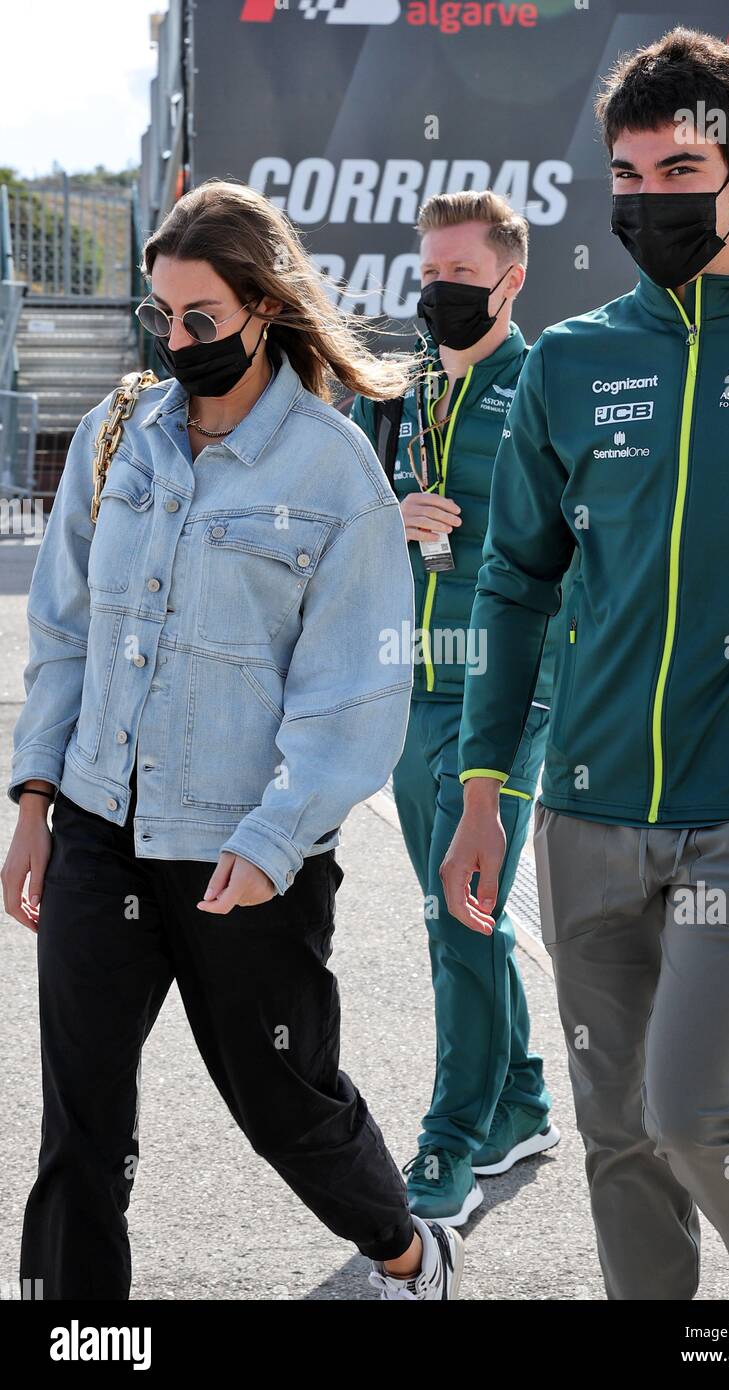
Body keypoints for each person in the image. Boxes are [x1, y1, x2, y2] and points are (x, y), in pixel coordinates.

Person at [441, 28, 729, 1300]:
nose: (645, 199)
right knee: (613, 1131)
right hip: (583, 808)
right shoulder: (573, 363)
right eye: (624, 174)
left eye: (677, 169)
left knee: (692, 1110)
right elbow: (513, 582)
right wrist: (481, 790)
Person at [1, 178, 463, 1301]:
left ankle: (410, 1254)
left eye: (199, 318)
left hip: (243, 857)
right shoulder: (120, 435)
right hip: (101, 832)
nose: (173, 339)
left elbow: (354, 692)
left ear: (264, 309)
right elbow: (64, 630)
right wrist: (32, 804)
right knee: (80, 1133)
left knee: (284, 1108)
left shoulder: (333, 468)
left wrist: (272, 838)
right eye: (157, 316)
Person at [351, 191, 572, 1227]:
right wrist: (384, 521)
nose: (436, 292)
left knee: (459, 913)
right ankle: (520, 1100)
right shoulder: (390, 396)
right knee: (460, 919)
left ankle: (450, 1138)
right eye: (425, 273)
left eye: (459, 277)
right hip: (410, 691)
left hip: (510, 699)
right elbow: (334, 532)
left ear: (510, 280)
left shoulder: (547, 389)